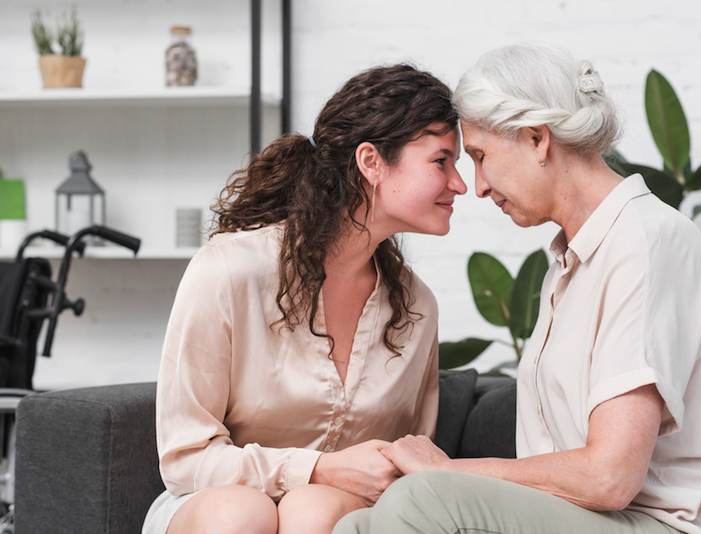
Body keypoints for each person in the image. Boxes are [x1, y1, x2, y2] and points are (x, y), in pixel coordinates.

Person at [333, 44, 701, 534]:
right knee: (357, 525)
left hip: (672, 525)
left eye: (480, 156)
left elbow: (610, 477)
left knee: (422, 499)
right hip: (599, 519)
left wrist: (447, 470)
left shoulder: (646, 242)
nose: (476, 186)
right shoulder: (573, 261)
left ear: (537, 139)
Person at [141, 64, 467, 534]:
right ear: (371, 162)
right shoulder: (229, 270)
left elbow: (407, 463)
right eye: (441, 161)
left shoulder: (415, 308)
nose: (459, 183)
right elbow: (185, 460)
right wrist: (317, 468)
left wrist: (338, 483)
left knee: (314, 510)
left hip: (334, 517)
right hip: (210, 508)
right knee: (240, 512)